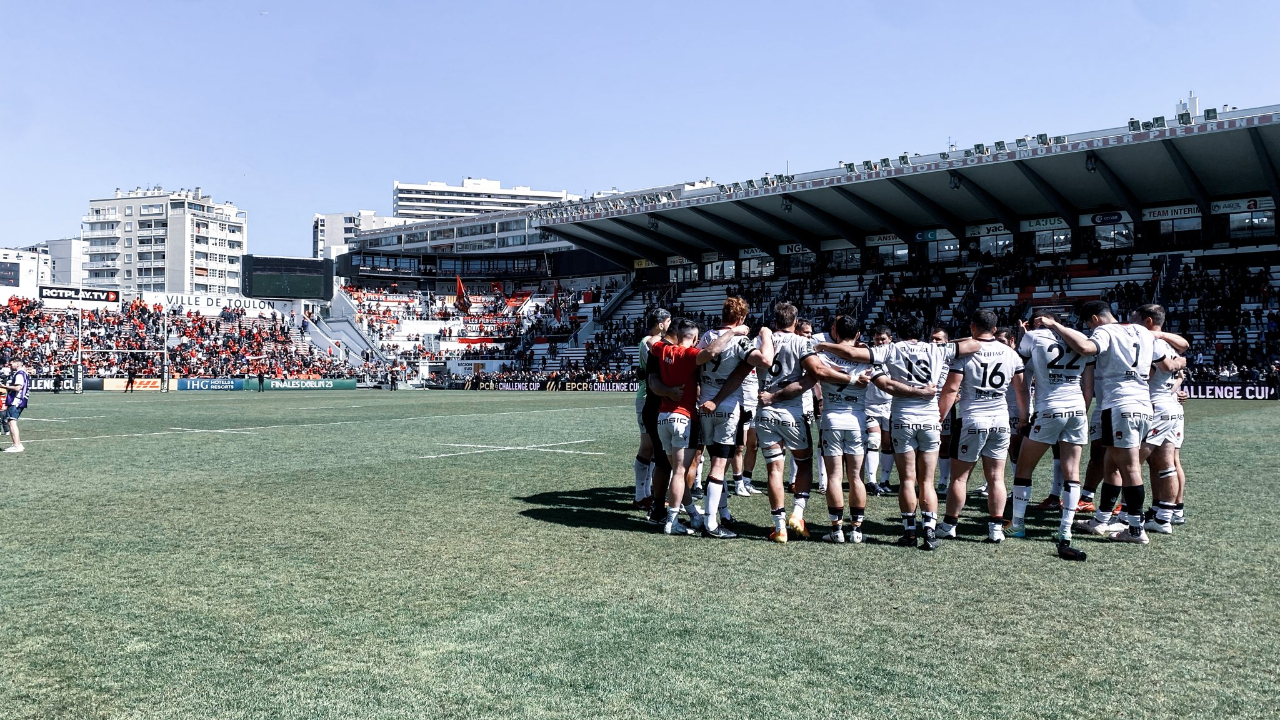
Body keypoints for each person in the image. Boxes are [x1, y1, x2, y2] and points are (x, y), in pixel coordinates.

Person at [820, 319, 982, 550]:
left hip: (903, 418)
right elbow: (974, 344)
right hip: (929, 418)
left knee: (907, 478)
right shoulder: (936, 348)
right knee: (927, 480)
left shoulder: (891, 348)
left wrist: (824, 346)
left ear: (898, 334)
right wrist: (941, 344)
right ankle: (929, 530)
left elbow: (852, 353)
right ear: (923, 333)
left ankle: (909, 532)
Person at [1040, 300, 1187, 545]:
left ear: (1095, 319)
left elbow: (1087, 348)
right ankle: (1100, 520)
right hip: (1141, 404)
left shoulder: (1105, 331)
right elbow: (1169, 362)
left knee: (1129, 467)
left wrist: (1056, 325)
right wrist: (1181, 365)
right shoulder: (1143, 332)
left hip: (1120, 404)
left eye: (1088, 323)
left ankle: (1135, 528)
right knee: (1111, 464)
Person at [755, 303, 860, 544]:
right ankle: (798, 514)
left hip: (765, 413)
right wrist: (850, 378)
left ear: (775, 321)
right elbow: (816, 373)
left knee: (774, 469)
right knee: (803, 463)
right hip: (792, 413)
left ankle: (779, 527)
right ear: (795, 322)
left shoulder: (762, 341)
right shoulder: (802, 343)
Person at [936, 310, 1027, 544]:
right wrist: (1025, 417)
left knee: (959, 477)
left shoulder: (967, 352)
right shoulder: (1011, 354)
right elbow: (1021, 390)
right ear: (995, 329)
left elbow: (950, 389)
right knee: (996, 477)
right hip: (1000, 419)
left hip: (973, 419)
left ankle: (949, 525)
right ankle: (995, 529)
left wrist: (937, 419)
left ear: (972, 327)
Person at [1007, 309, 1090, 561]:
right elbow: (1088, 383)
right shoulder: (1079, 337)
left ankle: (1018, 524)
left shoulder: (1034, 337)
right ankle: (1064, 531)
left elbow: (1020, 368)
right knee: (1072, 472)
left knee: (1023, 467)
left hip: (1050, 407)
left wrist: (1025, 334)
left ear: (1036, 323)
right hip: (1077, 408)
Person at [652, 318, 748, 536]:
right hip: (682, 417)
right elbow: (712, 352)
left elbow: (651, 342)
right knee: (679, 473)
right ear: (695, 338)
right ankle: (672, 522)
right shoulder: (690, 355)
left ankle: (692, 514)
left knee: (677, 473)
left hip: (663, 417)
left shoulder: (663, 349)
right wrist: (733, 333)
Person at [694, 297, 774, 538]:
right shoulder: (740, 340)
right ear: (741, 319)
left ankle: (723, 513)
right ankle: (711, 524)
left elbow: (697, 361)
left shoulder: (708, 336)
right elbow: (766, 361)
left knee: (719, 462)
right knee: (720, 465)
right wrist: (767, 337)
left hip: (704, 405)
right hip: (728, 407)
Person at [1133, 304, 1187, 535]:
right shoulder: (1169, 343)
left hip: (1155, 408)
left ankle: (1127, 515)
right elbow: (1182, 353)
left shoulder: (1152, 343)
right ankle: (1164, 515)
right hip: (1171, 406)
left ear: (1147, 321)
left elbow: (1154, 373)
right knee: (1166, 463)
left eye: (1134, 319)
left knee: (1130, 463)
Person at [633, 309, 671, 512]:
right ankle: (641, 496)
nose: (670, 325)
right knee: (648, 447)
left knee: (656, 449)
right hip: (647, 397)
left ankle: (650, 494)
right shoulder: (650, 342)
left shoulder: (652, 341)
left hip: (654, 398)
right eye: (668, 321)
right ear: (661, 324)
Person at [4, 357, 30, 453]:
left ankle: (16, 445)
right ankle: (17, 443)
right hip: (20, 400)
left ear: (17, 364)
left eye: (11, 364)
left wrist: (4, 386)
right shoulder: (23, 373)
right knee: (12, 421)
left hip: (16, 400)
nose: (10, 366)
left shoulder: (20, 373)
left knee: (12, 422)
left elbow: (18, 387)